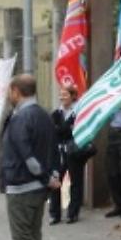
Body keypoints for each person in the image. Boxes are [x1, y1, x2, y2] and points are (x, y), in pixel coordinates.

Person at [0, 74, 61, 240]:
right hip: (38, 189)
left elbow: (29, 158)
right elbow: (54, 150)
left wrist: (46, 177)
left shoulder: (20, 119)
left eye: (10, 91)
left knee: (22, 237)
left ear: (16, 91)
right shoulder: (44, 115)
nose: (8, 95)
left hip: (22, 187)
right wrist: (53, 176)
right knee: (33, 236)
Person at [47, 85, 89, 225]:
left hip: (74, 151)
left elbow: (77, 131)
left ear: (73, 96)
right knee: (55, 180)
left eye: (65, 94)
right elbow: (54, 132)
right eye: (61, 94)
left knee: (76, 182)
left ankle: (73, 213)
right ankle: (54, 214)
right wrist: (65, 129)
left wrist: (62, 129)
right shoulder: (56, 113)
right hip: (59, 151)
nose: (62, 97)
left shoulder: (78, 113)